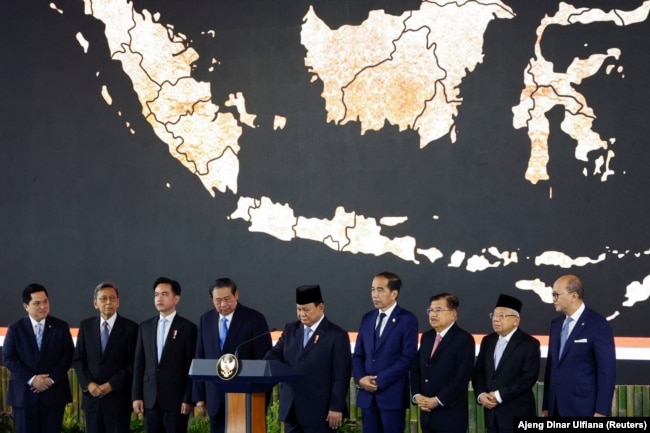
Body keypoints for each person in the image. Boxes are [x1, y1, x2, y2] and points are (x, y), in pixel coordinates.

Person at [264, 285, 351, 433]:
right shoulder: (291, 329)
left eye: (306, 310)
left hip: (320, 412)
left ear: (321, 307)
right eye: (298, 309)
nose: (301, 314)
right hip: (292, 408)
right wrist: (282, 370)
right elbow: (273, 354)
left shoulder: (336, 335)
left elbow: (341, 376)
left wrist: (336, 407)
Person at [192, 277, 272, 433]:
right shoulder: (205, 320)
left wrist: (262, 395)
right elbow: (200, 359)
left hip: (246, 398)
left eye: (227, 299)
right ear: (211, 299)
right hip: (214, 397)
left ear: (236, 295)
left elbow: (264, 361)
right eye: (218, 301)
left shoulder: (254, 319)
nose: (223, 305)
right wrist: (199, 397)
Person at [2, 283, 75, 433]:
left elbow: (67, 357)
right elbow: (9, 358)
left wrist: (50, 380)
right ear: (26, 306)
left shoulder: (60, 326)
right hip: (24, 396)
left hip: (53, 396)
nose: (43, 306)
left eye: (45, 301)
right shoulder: (16, 328)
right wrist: (32, 379)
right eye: (37, 303)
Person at [352, 271, 418, 433]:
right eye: (373, 289)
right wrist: (360, 379)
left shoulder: (407, 319)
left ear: (394, 293)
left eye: (380, 290)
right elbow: (358, 354)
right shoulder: (367, 318)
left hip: (391, 395)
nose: (375, 294)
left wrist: (379, 381)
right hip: (367, 397)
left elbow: (407, 357)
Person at [542, 274, 616, 417]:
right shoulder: (556, 325)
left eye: (556, 294)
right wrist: (546, 405)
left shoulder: (598, 325)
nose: (553, 299)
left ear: (574, 296)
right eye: (553, 294)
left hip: (583, 408)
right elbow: (551, 367)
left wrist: (601, 411)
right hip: (555, 407)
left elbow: (607, 372)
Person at [132, 277, 198, 433]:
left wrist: (187, 398)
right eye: (156, 295)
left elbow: (191, 366)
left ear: (176, 298)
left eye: (164, 294)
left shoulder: (188, 328)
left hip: (176, 401)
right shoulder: (145, 327)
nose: (159, 298)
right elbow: (139, 364)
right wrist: (137, 396)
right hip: (150, 399)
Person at [73, 282, 139, 433]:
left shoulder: (131, 328)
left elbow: (133, 364)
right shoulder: (86, 326)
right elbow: (78, 360)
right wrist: (89, 384)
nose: (108, 302)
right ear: (95, 303)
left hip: (118, 400)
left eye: (112, 298)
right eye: (103, 299)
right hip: (93, 399)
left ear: (118, 302)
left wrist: (111, 384)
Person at [472, 294, 540, 433]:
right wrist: (481, 394)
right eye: (494, 315)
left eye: (502, 316)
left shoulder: (529, 344)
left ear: (516, 320)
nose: (496, 319)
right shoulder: (488, 341)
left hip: (517, 413)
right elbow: (478, 371)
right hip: (491, 415)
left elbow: (527, 379)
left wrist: (498, 395)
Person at [410, 293, 475, 433]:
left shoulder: (464, 339)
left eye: (438, 310)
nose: (433, 314)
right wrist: (417, 396)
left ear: (453, 314)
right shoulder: (427, 337)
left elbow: (462, 377)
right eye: (431, 310)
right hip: (426, 414)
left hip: (450, 415)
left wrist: (437, 400)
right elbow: (416, 369)